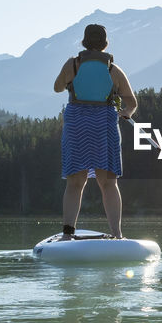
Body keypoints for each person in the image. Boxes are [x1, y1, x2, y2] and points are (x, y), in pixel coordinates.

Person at [53, 23, 138, 239]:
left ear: (84, 42)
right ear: (104, 43)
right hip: (104, 125)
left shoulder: (72, 65)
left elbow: (57, 87)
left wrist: (72, 80)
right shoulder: (113, 70)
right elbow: (131, 103)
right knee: (108, 182)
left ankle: (67, 233)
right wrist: (124, 112)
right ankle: (117, 234)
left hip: (77, 125)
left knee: (75, 182)